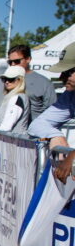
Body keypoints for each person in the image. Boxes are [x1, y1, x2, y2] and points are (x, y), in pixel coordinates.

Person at [0, 44, 57, 132]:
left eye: (16, 61)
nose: (13, 64)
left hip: (25, 140)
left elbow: (51, 112)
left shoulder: (44, 83)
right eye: (10, 62)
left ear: (28, 59)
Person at [29, 42, 75, 181]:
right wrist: (55, 135)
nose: (61, 78)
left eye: (67, 73)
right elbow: (36, 125)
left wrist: (71, 157)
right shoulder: (70, 95)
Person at [0, 65, 28, 132]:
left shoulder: (17, 98)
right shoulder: (10, 97)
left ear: (19, 80)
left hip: (14, 140)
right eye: (4, 79)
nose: (7, 82)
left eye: (11, 79)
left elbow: (7, 126)